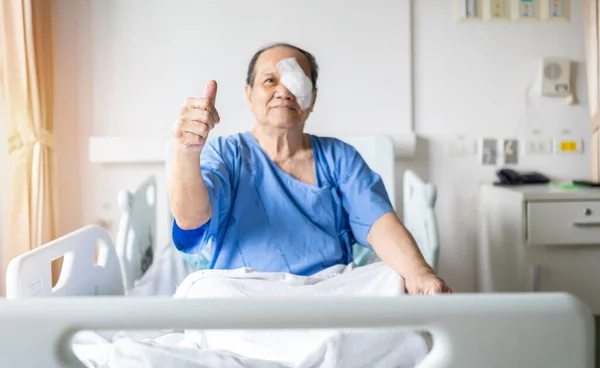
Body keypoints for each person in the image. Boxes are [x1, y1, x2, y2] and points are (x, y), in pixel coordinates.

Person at [168, 42, 451, 295]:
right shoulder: (226, 155)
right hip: (248, 298)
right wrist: (186, 151)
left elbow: (379, 223)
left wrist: (418, 273)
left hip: (326, 296)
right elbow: (191, 220)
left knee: (392, 278)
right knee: (205, 289)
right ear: (249, 95)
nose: (283, 90)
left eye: (296, 81)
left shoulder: (339, 158)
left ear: (312, 98)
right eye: (269, 80)